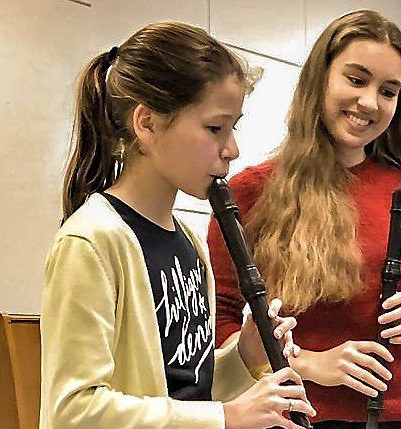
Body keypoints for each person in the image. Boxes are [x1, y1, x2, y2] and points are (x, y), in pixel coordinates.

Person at [40, 21, 316, 429]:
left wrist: (245, 358)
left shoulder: (187, 241)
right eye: (214, 128)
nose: (232, 149)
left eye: (232, 128)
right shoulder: (92, 241)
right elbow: (73, 412)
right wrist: (227, 417)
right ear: (147, 124)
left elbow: (188, 390)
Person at [208, 10, 401, 429]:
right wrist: (310, 363)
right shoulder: (250, 191)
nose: (370, 102)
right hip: (291, 416)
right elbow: (221, 326)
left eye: (389, 91)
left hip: (398, 417)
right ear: (319, 79)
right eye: (356, 80)